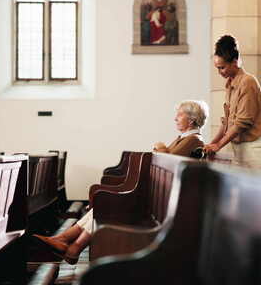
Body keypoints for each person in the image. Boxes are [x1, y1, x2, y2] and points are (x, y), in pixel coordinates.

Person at [32, 100, 208, 264]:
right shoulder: (184, 138)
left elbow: (167, 159)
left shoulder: (193, 140)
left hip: (165, 201)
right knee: (104, 205)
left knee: (107, 206)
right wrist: (161, 149)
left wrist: (161, 148)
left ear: (191, 120)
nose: (175, 118)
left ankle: (70, 245)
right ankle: (68, 244)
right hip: (160, 195)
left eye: (180, 115)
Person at [203, 35, 261, 173]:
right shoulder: (230, 84)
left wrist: (219, 145)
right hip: (238, 151)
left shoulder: (248, 82)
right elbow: (227, 123)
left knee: (256, 194)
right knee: (237, 194)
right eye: (217, 68)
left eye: (222, 68)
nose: (219, 72)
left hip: (254, 150)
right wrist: (212, 143)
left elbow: (242, 123)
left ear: (234, 62)